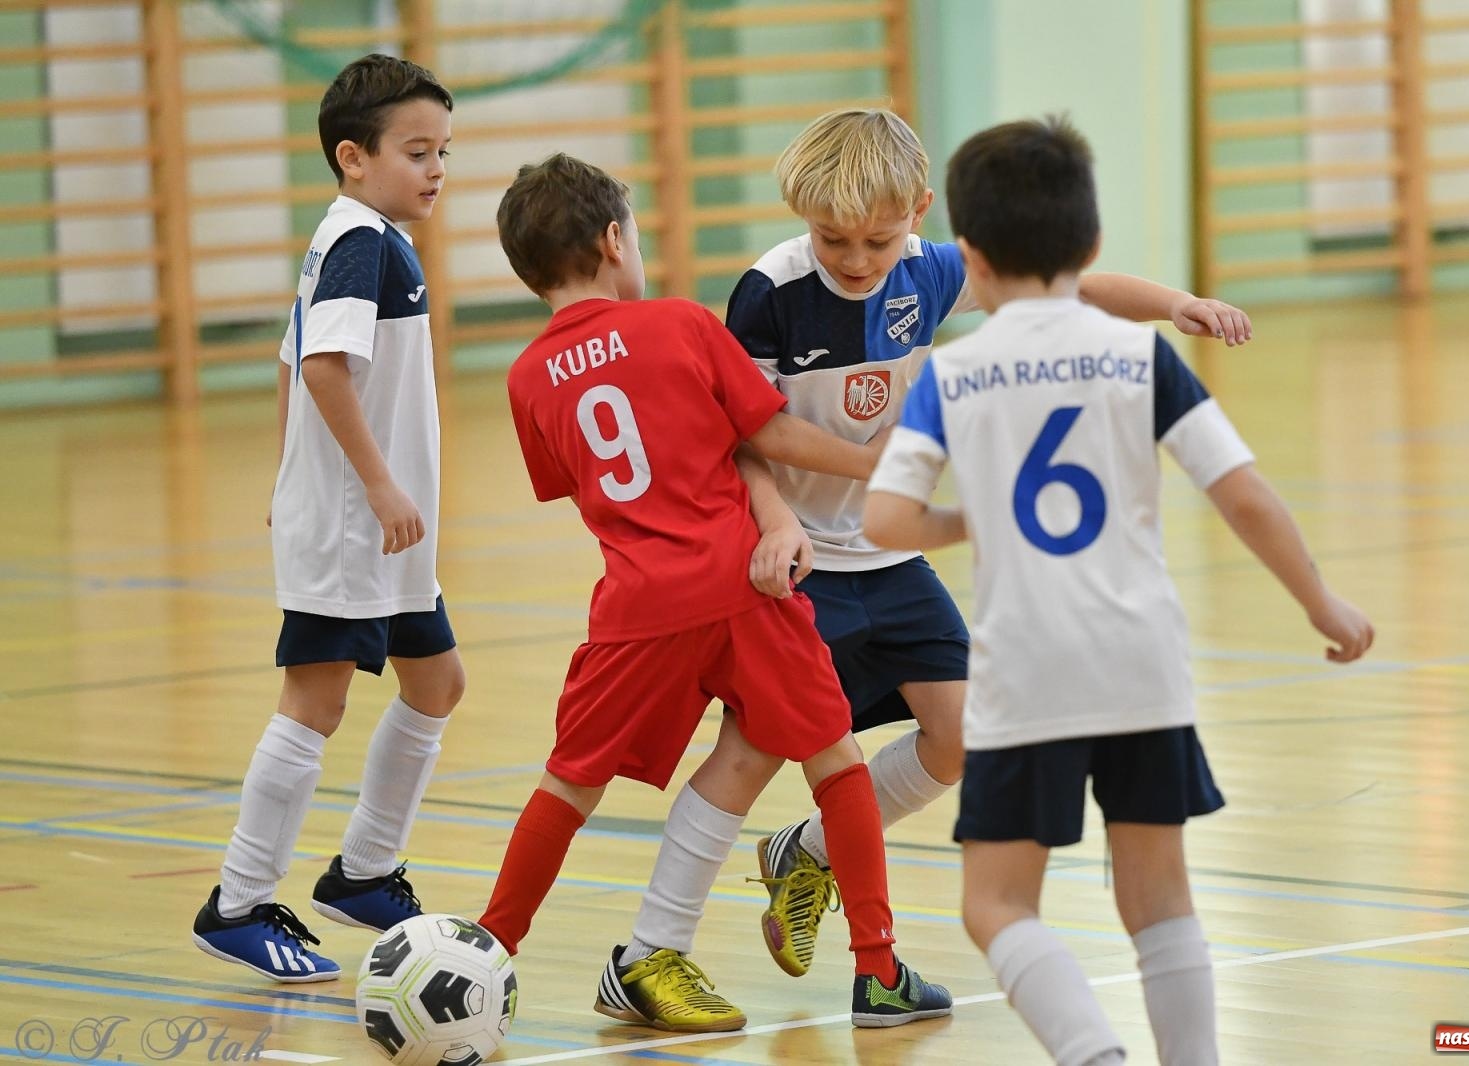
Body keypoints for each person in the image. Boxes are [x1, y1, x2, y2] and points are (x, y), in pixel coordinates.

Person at [625, 106, 1255, 983]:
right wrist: (786, 515)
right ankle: (650, 949)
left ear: (919, 212)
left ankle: (804, 853)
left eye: (877, 241)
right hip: (798, 562)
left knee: (962, 735)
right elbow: (745, 433)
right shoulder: (771, 291)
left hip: (890, 559)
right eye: (832, 238)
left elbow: (1069, 288)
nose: (855, 259)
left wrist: (1177, 305)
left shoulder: (929, 271)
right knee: (749, 753)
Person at [861, 116, 1375, 1065]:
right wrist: (1322, 603)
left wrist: (971, 522)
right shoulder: (1141, 358)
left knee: (997, 904)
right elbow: (1243, 494)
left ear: (969, 257)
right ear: (1092, 245)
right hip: (1141, 662)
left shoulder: (954, 374)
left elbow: (887, 523)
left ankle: (1094, 1055)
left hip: (1028, 670)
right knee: (1160, 899)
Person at [476, 153, 953, 1033]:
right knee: (837, 764)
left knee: (568, 784)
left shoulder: (526, 377)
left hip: (635, 608)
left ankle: (484, 953)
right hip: (744, 590)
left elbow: (575, 484)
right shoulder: (682, 325)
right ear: (614, 240)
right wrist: (875, 464)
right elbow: (766, 433)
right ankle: (878, 973)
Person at [191, 54, 465, 983]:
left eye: (443, 152)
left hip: (379, 533)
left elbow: (288, 356)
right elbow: (318, 367)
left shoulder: (361, 237)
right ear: (353, 156)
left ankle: (364, 872)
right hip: (357, 527)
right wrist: (376, 486)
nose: (436, 169)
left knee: (438, 683)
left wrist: (288, 475)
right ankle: (236, 904)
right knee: (317, 702)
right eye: (417, 152)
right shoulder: (359, 241)